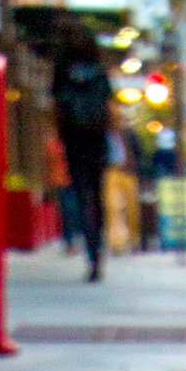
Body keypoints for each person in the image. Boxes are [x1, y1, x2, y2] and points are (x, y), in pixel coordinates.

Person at [52, 30, 114, 281]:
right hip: (96, 139)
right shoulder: (99, 72)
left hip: (74, 140)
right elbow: (107, 107)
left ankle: (85, 244)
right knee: (97, 195)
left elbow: (56, 106)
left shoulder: (63, 72)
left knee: (79, 193)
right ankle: (97, 249)